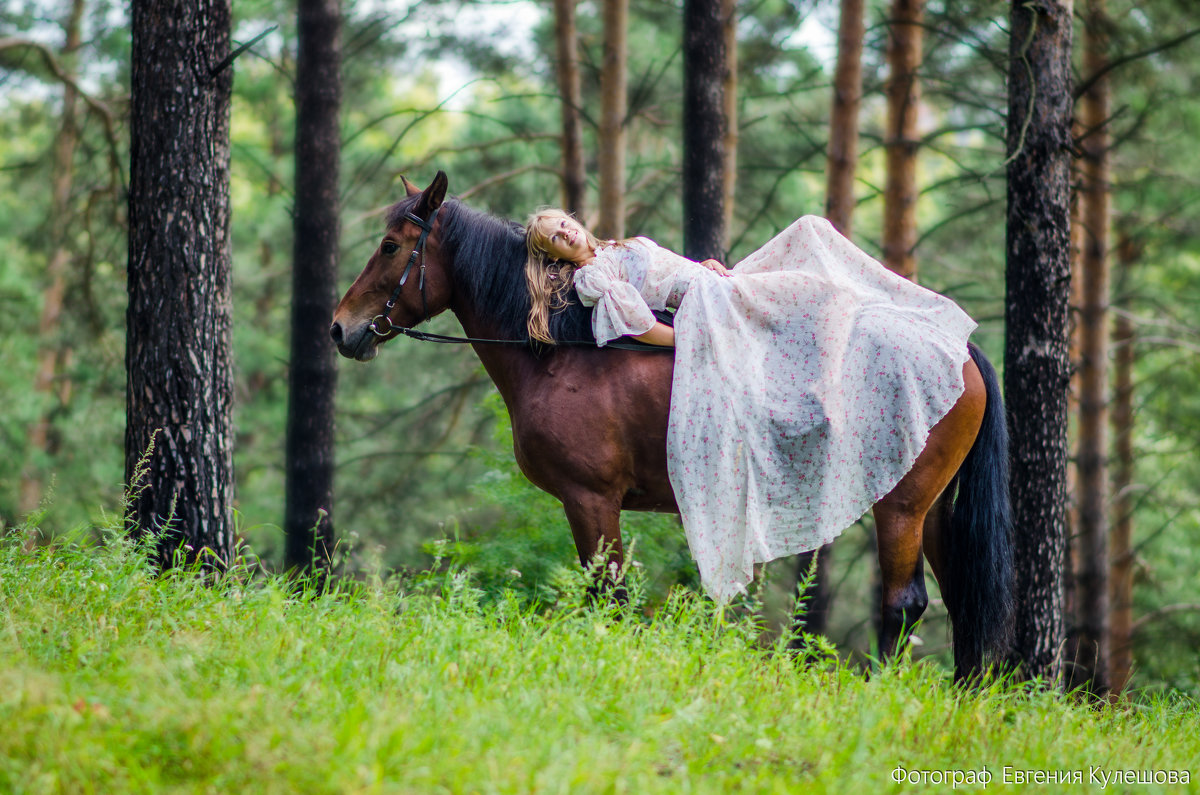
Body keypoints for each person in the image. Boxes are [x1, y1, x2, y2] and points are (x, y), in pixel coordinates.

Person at [524, 209, 978, 601]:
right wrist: (692, 339)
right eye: (555, 238)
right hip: (710, 309)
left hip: (716, 284)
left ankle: (850, 353)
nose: (567, 233)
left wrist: (702, 267)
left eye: (564, 223)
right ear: (554, 256)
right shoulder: (592, 277)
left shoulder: (615, 249)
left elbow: (664, 271)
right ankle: (822, 387)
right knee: (819, 283)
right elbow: (635, 324)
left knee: (810, 230)